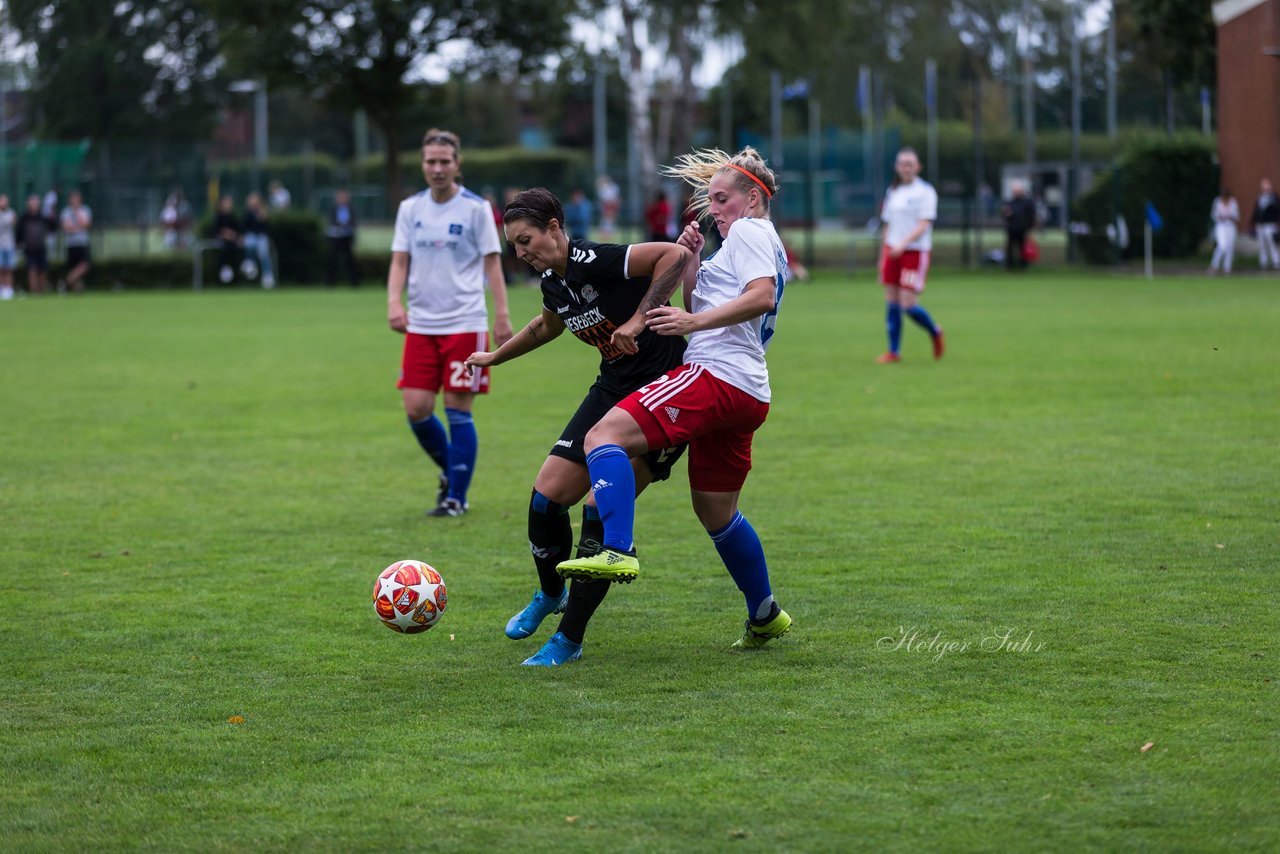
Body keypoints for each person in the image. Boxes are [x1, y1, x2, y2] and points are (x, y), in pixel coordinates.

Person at [555, 146, 792, 656]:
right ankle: (765, 613)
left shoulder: (750, 231)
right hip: (749, 389)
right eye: (711, 202)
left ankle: (616, 547)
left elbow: (760, 297)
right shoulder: (757, 241)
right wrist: (693, 264)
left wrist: (691, 324)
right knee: (716, 511)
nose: (716, 211)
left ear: (754, 198)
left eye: (723, 199)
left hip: (716, 376)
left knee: (603, 435)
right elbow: (707, 304)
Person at [463, 188, 692, 666]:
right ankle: (550, 594)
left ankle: (568, 640)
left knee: (596, 509)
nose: (521, 252)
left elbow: (674, 254)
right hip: (612, 388)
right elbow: (547, 327)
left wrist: (636, 319)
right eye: (514, 246)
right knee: (545, 497)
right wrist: (496, 358)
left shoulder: (596, 258)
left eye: (526, 240)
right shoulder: (553, 280)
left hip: (663, 394)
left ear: (554, 227)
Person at [388, 128, 513, 517]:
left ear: (457, 164)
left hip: (465, 322)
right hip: (422, 324)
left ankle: (456, 497)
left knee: (458, 411)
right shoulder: (411, 209)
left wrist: (502, 314)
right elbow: (399, 261)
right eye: (431, 162)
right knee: (417, 408)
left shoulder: (476, 209)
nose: (438, 168)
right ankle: (452, 473)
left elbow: (493, 263)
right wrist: (394, 300)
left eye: (445, 161)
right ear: (422, 165)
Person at [875, 147, 944, 364]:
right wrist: (883, 257)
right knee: (892, 301)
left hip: (914, 252)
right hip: (892, 252)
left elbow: (924, 224)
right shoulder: (893, 191)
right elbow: (888, 226)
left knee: (908, 304)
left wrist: (903, 244)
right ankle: (894, 351)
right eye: (902, 163)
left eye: (910, 163)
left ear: (918, 167)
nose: (906, 167)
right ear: (897, 167)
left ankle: (934, 330)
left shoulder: (925, 192)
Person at [16, 195, 56, 295]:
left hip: (41, 247)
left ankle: (42, 290)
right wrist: (17, 244)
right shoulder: (24, 217)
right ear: (28, 204)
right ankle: (34, 290)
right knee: (31, 269)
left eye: (35, 203)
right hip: (29, 248)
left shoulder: (43, 216)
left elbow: (53, 227)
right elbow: (19, 232)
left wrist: (53, 216)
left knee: (43, 269)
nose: (33, 205)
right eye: (32, 203)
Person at [59, 191, 92, 293]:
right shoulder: (66, 212)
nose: (75, 201)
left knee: (84, 265)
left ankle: (67, 280)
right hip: (72, 244)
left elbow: (86, 225)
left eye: (76, 199)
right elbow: (66, 228)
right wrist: (77, 227)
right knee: (73, 267)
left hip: (83, 243)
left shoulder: (85, 210)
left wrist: (77, 214)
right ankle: (77, 289)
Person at [242, 192, 275, 288]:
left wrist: (262, 217)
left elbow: (266, 228)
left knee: (263, 251)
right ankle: (250, 263)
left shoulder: (263, 213)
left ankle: (267, 274)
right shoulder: (247, 213)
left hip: (261, 236)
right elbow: (244, 227)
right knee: (249, 242)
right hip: (251, 236)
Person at [327, 188, 359, 286]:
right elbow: (331, 222)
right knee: (332, 260)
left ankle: (354, 282)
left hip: (347, 237)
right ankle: (330, 282)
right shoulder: (333, 209)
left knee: (349, 260)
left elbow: (354, 223)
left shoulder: (351, 209)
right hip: (335, 237)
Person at [1002, 181, 1037, 270]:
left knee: (1023, 248)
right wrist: (1007, 214)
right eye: (1015, 191)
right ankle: (1010, 267)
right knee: (1010, 248)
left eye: (1018, 191)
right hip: (1012, 229)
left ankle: (1023, 267)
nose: (1016, 193)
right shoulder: (1010, 202)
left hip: (1023, 229)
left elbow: (1031, 216)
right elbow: (1005, 215)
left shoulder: (1027, 203)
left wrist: (1030, 228)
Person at [1208, 188, 1239, 275]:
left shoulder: (1233, 202)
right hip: (1221, 226)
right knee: (1222, 245)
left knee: (1230, 247)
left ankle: (1227, 267)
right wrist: (1220, 217)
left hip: (1230, 226)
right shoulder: (1217, 201)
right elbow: (1214, 215)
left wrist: (1230, 216)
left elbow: (1236, 216)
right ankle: (1214, 265)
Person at [1250, 178, 1278, 271]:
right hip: (1260, 225)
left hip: (1270, 224)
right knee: (1262, 245)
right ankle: (1264, 263)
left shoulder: (1274, 198)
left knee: (1272, 244)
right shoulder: (1259, 198)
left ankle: (1276, 262)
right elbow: (1255, 212)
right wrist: (1253, 223)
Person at [213, 195, 242, 284]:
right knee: (226, 247)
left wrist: (237, 237)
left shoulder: (232, 216)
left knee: (238, 248)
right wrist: (226, 235)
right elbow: (216, 231)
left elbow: (238, 230)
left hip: (233, 243)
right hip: (223, 242)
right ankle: (224, 268)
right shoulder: (218, 217)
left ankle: (238, 274)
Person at [0, 194, 15, 300]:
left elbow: (12, 223)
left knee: (9, 268)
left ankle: (9, 289)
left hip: (9, 244)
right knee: (1, 268)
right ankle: (2, 288)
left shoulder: (11, 213)